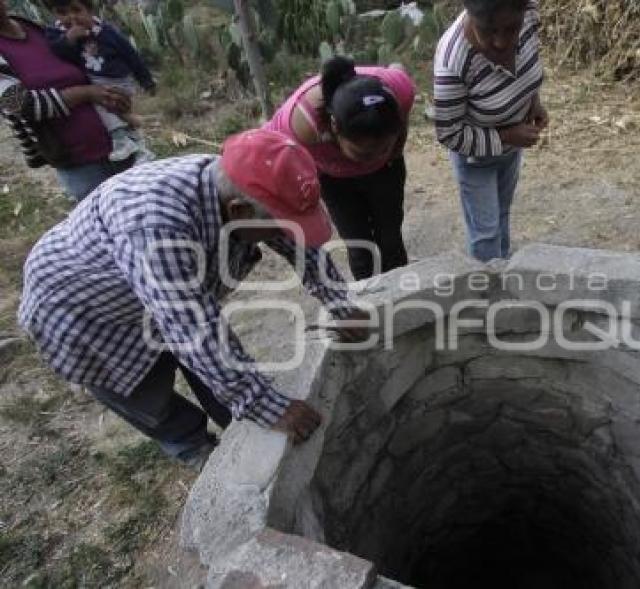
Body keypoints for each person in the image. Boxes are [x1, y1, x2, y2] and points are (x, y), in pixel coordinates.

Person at [18, 130, 365, 469]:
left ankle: (238, 429)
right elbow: (194, 330)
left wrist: (338, 302)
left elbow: (297, 240)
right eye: (279, 226)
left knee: (217, 376)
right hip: (82, 310)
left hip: (156, 290)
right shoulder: (154, 225)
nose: (283, 235)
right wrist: (266, 404)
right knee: (147, 397)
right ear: (240, 211)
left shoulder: (244, 180)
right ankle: (193, 449)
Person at [265, 56, 416, 281]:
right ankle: (371, 300)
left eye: (385, 146)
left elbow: (398, 68)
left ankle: (402, 298)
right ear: (334, 127)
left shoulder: (400, 91)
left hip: (388, 171)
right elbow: (265, 147)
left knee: (391, 238)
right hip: (335, 181)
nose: (374, 157)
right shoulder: (300, 123)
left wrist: (394, 150)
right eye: (363, 153)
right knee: (358, 245)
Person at [433, 0, 547, 262]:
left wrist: (533, 100)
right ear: (471, 16)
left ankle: (503, 269)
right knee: (485, 232)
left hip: (510, 151)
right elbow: (449, 134)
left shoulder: (529, 14)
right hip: (476, 159)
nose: (500, 41)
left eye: (511, 28)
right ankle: (488, 290)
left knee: (502, 214)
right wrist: (507, 136)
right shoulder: (453, 62)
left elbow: (528, 62)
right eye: (488, 30)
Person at [0, 0, 135, 201]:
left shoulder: (36, 29)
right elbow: (20, 104)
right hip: (79, 162)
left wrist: (115, 94)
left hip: (119, 142)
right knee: (104, 223)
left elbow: (88, 63)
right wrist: (87, 93)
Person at [45, 0, 156, 163]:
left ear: (90, 10)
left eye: (77, 10)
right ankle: (141, 150)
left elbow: (131, 55)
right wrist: (69, 39)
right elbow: (58, 53)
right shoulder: (56, 34)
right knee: (116, 111)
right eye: (62, 12)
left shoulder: (107, 32)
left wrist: (146, 81)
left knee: (107, 106)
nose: (71, 17)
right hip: (94, 79)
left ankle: (121, 140)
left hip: (117, 79)